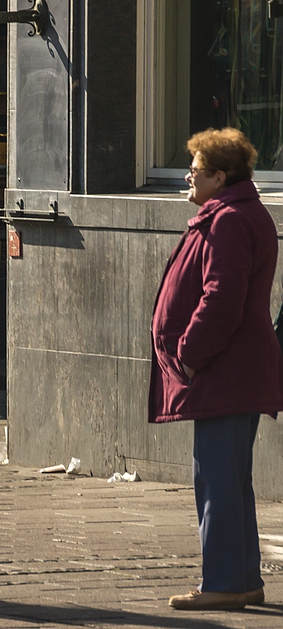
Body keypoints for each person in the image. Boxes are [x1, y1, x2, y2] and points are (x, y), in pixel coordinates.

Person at [150, 127, 283, 610]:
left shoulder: (228, 220)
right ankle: (243, 579)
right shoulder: (237, 214)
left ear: (220, 176)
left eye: (197, 170)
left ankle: (225, 584)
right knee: (230, 479)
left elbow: (221, 298)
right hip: (236, 370)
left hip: (226, 371)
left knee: (218, 480)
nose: (188, 175)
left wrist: (188, 351)